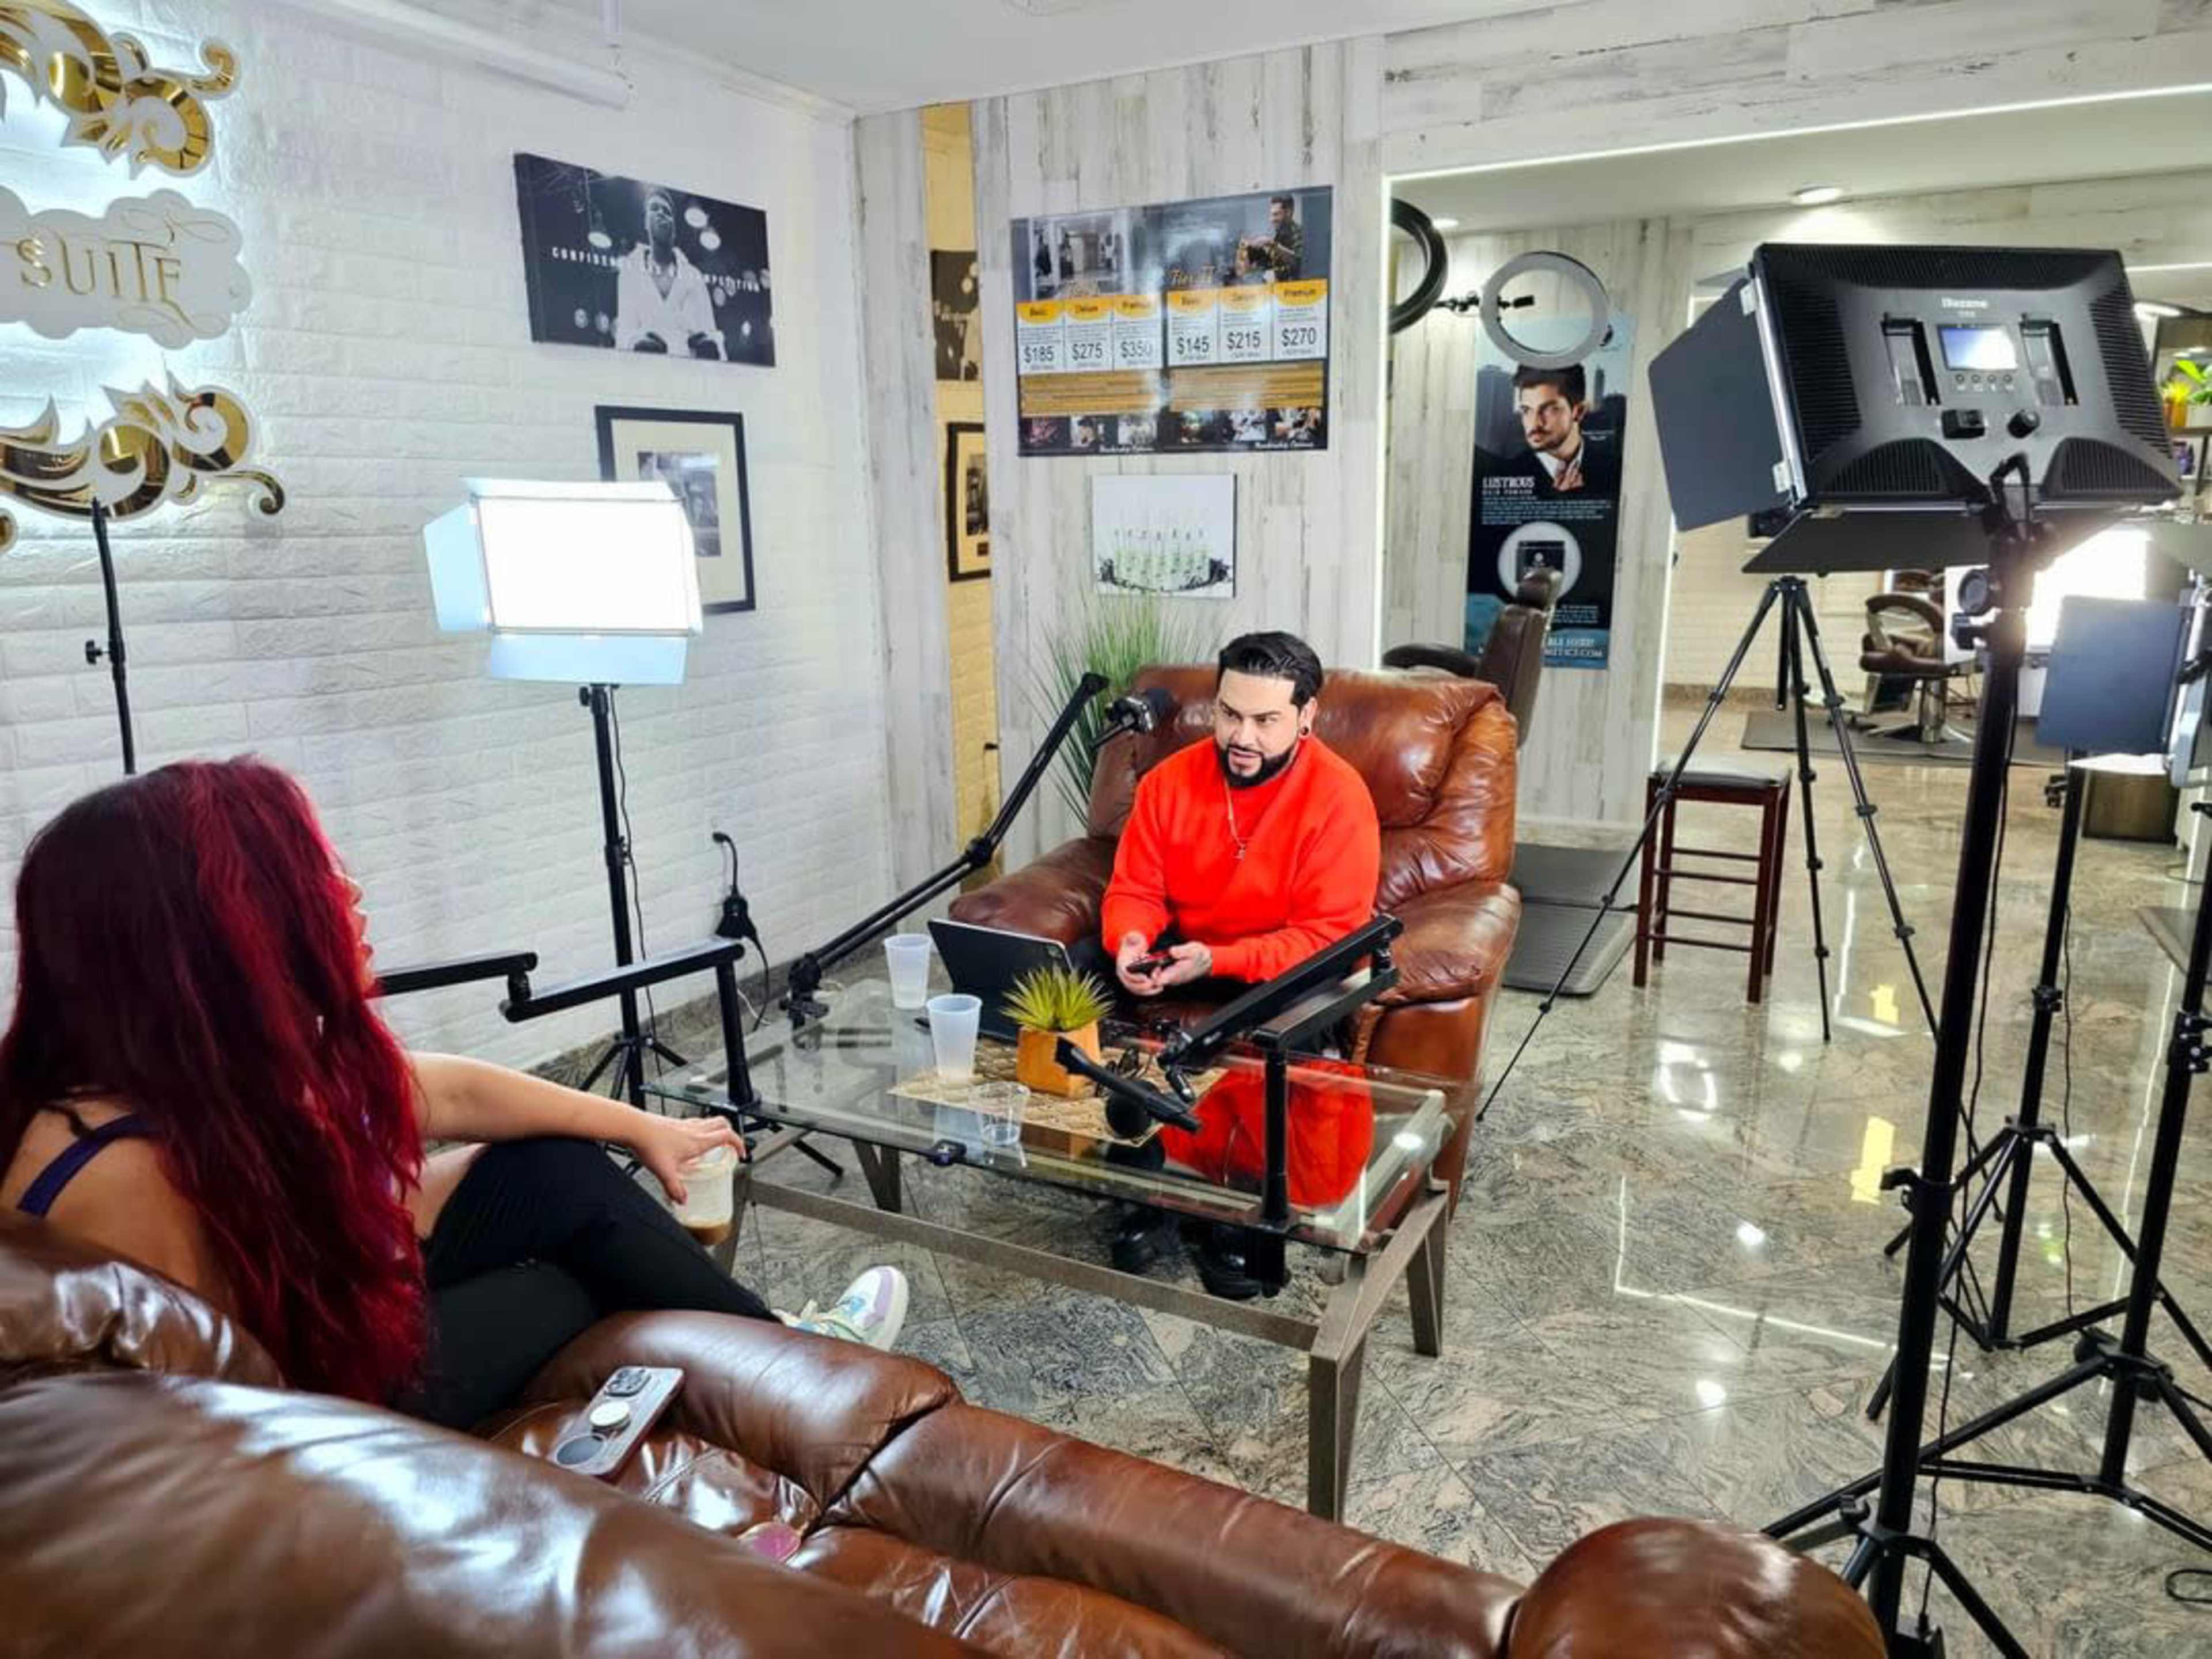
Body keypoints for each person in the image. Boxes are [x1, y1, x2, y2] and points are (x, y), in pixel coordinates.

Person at [0, 760, 907, 1430]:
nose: (349, 894)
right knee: (560, 1288)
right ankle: (801, 1377)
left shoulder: (194, 1073)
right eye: (309, 879)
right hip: (314, 1414)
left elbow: (438, 1089)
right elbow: (238, 1411)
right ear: (207, 940)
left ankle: (802, 1351)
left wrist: (642, 1128)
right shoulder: (113, 1175)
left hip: (307, 1320)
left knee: (550, 1170)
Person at [1092, 631, 1381, 1293]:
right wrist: (1131, 942)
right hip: (1187, 959)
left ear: (1307, 718)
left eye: (1265, 720)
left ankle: (1237, 1207)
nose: (1240, 736)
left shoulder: (1340, 798)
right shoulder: (1169, 782)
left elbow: (1324, 938)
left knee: (1282, 1028)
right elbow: (1134, 890)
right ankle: (1145, 1176)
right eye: (1228, 714)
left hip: (1287, 976)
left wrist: (1217, 959)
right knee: (1069, 985)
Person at [614, 188, 723, 358]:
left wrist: (712, 348)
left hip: (689, 376)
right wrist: (634, 344)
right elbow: (624, 334)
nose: (661, 214)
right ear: (645, 223)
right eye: (654, 209)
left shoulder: (694, 276)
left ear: (675, 229)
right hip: (646, 374)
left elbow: (712, 334)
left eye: (667, 211)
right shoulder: (630, 273)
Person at [1499, 362, 1620, 498]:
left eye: (1549, 410)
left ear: (1579, 411)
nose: (1535, 424)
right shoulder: (1505, 472)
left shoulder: (1614, 467)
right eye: (1527, 410)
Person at [1240, 195, 1304, 283]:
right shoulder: (1276, 235)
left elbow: (1299, 262)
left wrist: (1272, 244)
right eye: (1271, 215)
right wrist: (1248, 250)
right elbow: (1259, 267)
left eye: (1276, 215)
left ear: (1288, 213)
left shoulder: (1300, 232)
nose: (1272, 219)